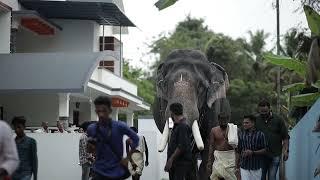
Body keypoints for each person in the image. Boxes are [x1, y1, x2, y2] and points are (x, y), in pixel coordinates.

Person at [87, 96, 140, 180]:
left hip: (116, 172)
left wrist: (128, 158)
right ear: (95, 111)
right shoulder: (91, 128)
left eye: (104, 110)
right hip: (98, 171)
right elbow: (90, 150)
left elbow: (136, 139)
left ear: (110, 111)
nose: (101, 114)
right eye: (98, 111)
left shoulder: (120, 126)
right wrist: (90, 147)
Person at [255, 100, 289, 180]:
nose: (263, 113)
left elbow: (285, 137)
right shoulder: (256, 120)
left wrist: (286, 151)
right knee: (261, 177)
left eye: (265, 111)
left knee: (272, 177)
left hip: (275, 154)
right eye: (261, 112)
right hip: (261, 155)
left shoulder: (278, 119)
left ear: (270, 109)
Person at [164, 103, 193, 180]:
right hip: (176, 165)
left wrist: (171, 160)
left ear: (172, 113)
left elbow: (182, 146)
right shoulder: (178, 126)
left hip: (181, 165)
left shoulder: (182, 127)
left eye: (171, 113)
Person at [207, 112, 237, 180]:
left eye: (225, 119)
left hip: (230, 157)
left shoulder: (234, 129)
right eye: (221, 119)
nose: (223, 121)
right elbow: (211, 145)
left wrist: (237, 161)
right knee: (216, 176)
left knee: (230, 177)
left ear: (228, 119)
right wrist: (209, 161)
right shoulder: (214, 130)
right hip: (219, 156)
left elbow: (238, 147)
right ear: (218, 120)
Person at [236, 115, 267, 180]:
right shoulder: (241, 135)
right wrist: (236, 165)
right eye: (244, 123)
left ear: (253, 123)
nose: (244, 124)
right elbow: (238, 150)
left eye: (247, 123)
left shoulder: (260, 135)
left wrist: (252, 152)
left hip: (256, 167)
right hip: (244, 166)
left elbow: (265, 150)